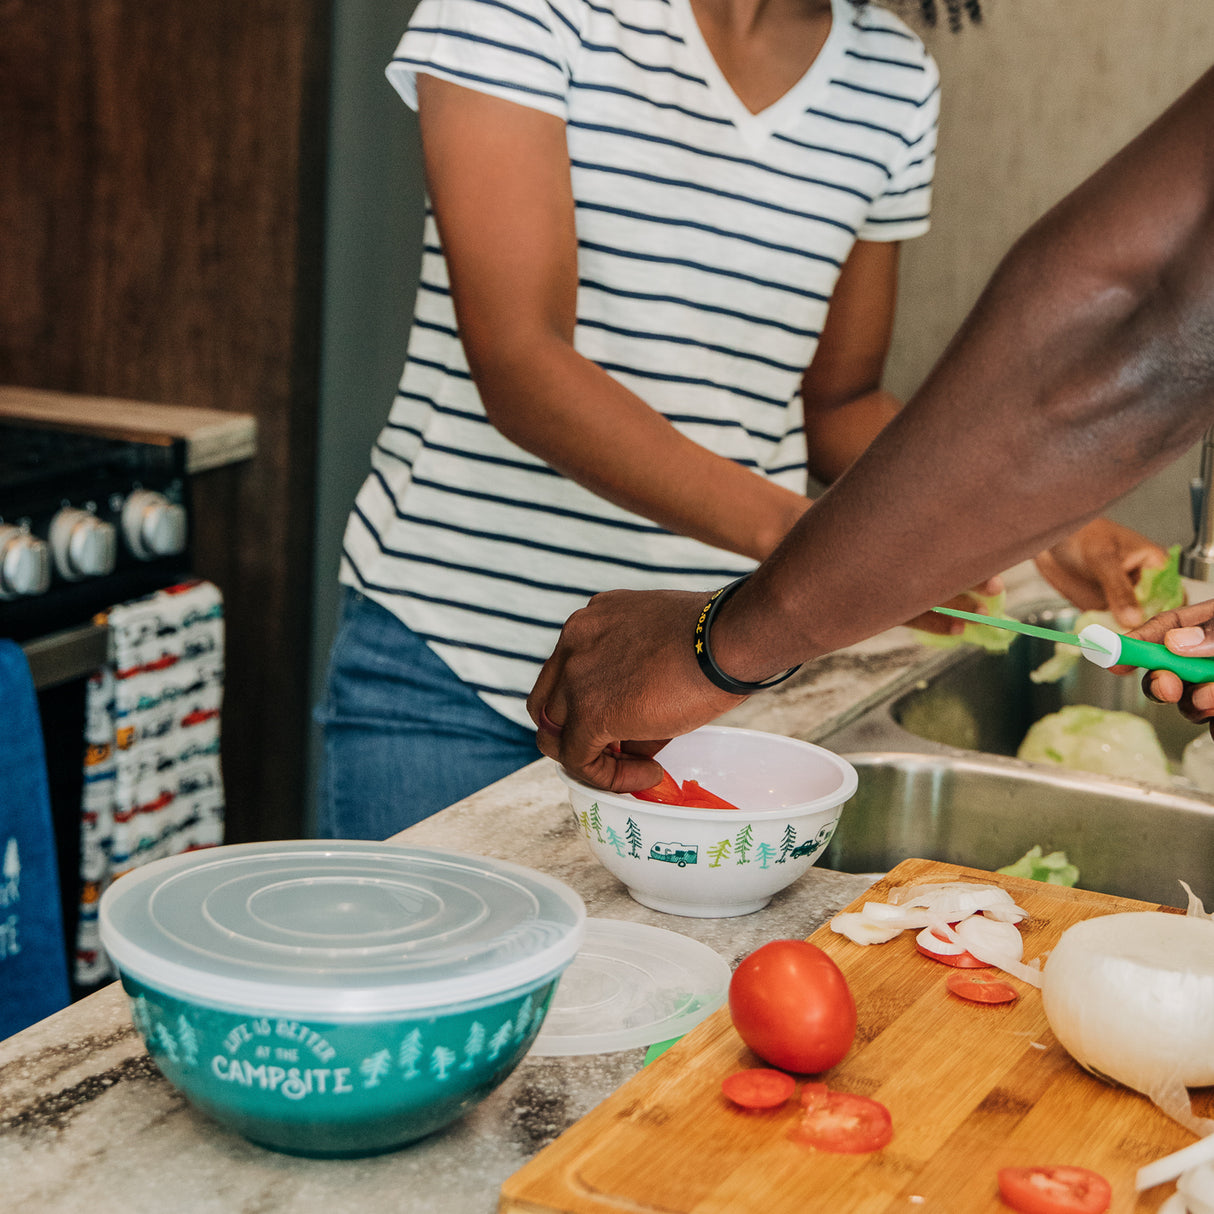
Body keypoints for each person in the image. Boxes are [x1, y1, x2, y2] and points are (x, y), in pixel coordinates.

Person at [316, 0, 1157, 839]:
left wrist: (1045, 532)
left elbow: (839, 403)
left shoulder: (892, 77)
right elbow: (524, 364)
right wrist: (837, 559)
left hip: (697, 704)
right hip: (453, 675)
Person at [528, 62, 1214, 791]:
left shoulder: (889, 77)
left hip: (703, 680)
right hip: (479, 655)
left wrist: (754, 619)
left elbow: (1126, 340)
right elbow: (1125, 330)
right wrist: (847, 570)